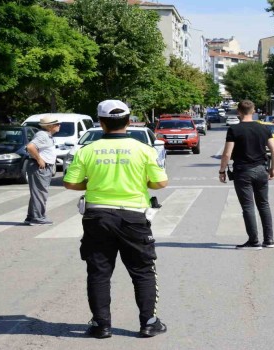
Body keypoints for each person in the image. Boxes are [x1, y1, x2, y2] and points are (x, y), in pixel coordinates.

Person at [63, 100, 169, 339]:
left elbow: (70, 183)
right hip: (133, 217)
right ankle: (149, 323)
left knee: (99, 272)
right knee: (142, 271)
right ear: (129, 122)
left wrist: (92, 183)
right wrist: (141, 182)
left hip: (97, 216)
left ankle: (102, 325)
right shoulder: (143, 149)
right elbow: (160, 183)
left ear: (101, 123)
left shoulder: (87, 150)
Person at [219, 100, 274, 250]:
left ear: (238, 111)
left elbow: (227, 153)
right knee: (264, 204)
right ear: (253, 111)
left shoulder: (234, 129)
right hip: (261, 170)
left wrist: (222, 171)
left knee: (248, 206)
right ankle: (269, 240)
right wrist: (273, 168)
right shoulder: (264, 128)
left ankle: (254, 241)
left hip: (243, 172)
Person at [25, 115, 61, 225]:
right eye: (57, 124)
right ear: (50, 126)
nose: (59, 126)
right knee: (40, 193)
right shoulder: (43, 135)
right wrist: (39, 159)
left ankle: (32, 217)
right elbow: (30, 147)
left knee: (38, 193)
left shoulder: (47, 135)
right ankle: (38, 218)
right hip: (40, 167)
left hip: (42, 167)